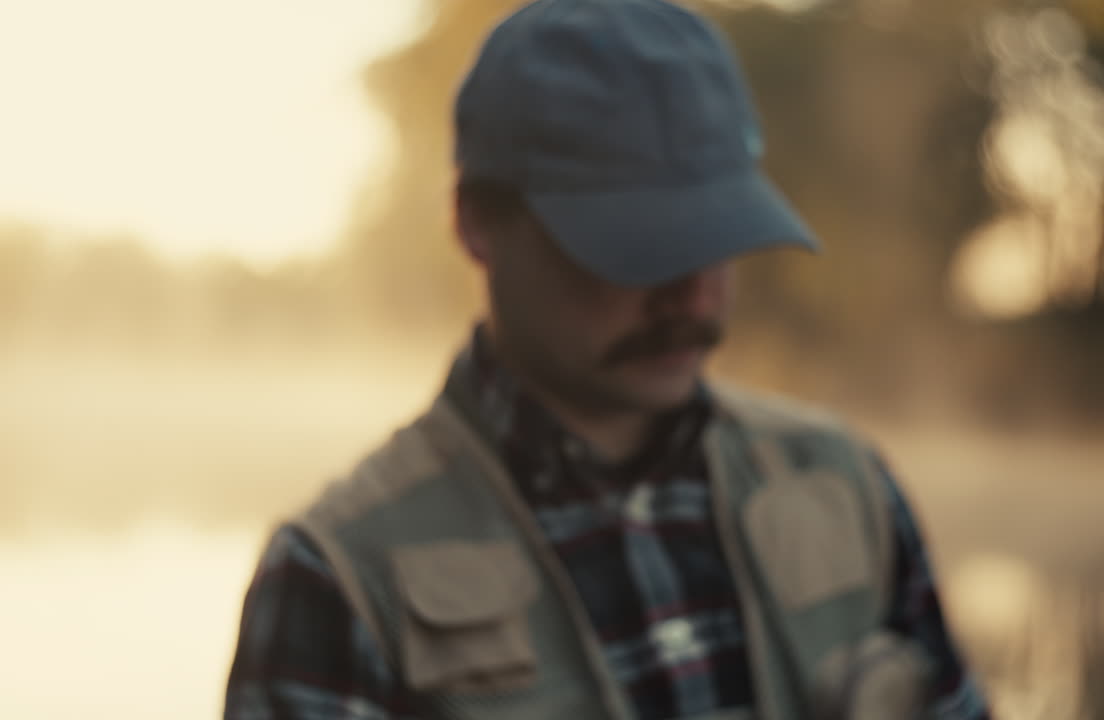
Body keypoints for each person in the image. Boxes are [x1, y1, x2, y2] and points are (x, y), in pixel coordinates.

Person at [224, 0, 992, 718]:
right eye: (639, 244)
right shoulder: (336, 584)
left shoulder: (851, 489)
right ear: (476, 223)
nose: (692, 294)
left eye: (718, 233)